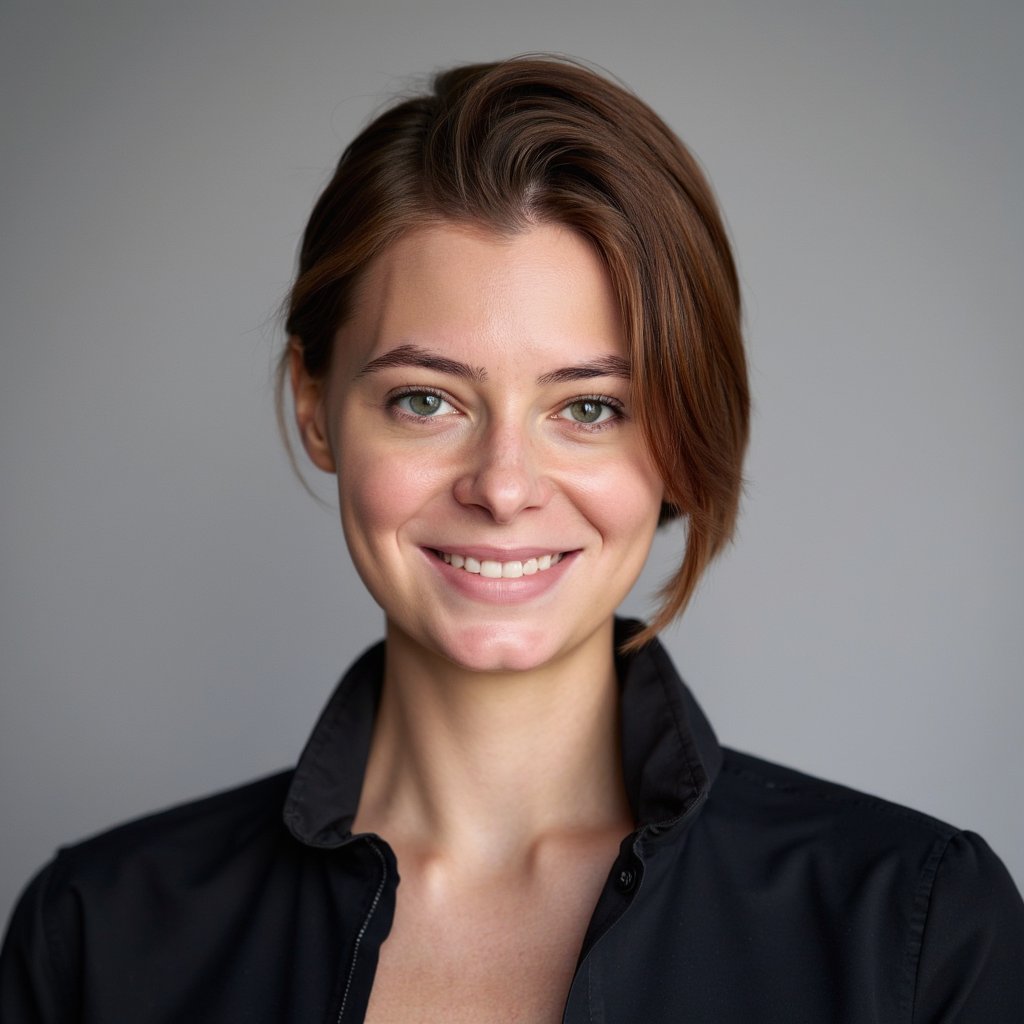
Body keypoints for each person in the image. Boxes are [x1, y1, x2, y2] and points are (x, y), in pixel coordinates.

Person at [1, 55, 1021, 1023]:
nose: (502, 485)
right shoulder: (98, 935)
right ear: (317, 407)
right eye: (426, 399)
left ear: (677, 435)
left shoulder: (919, 930)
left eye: (588, 409)